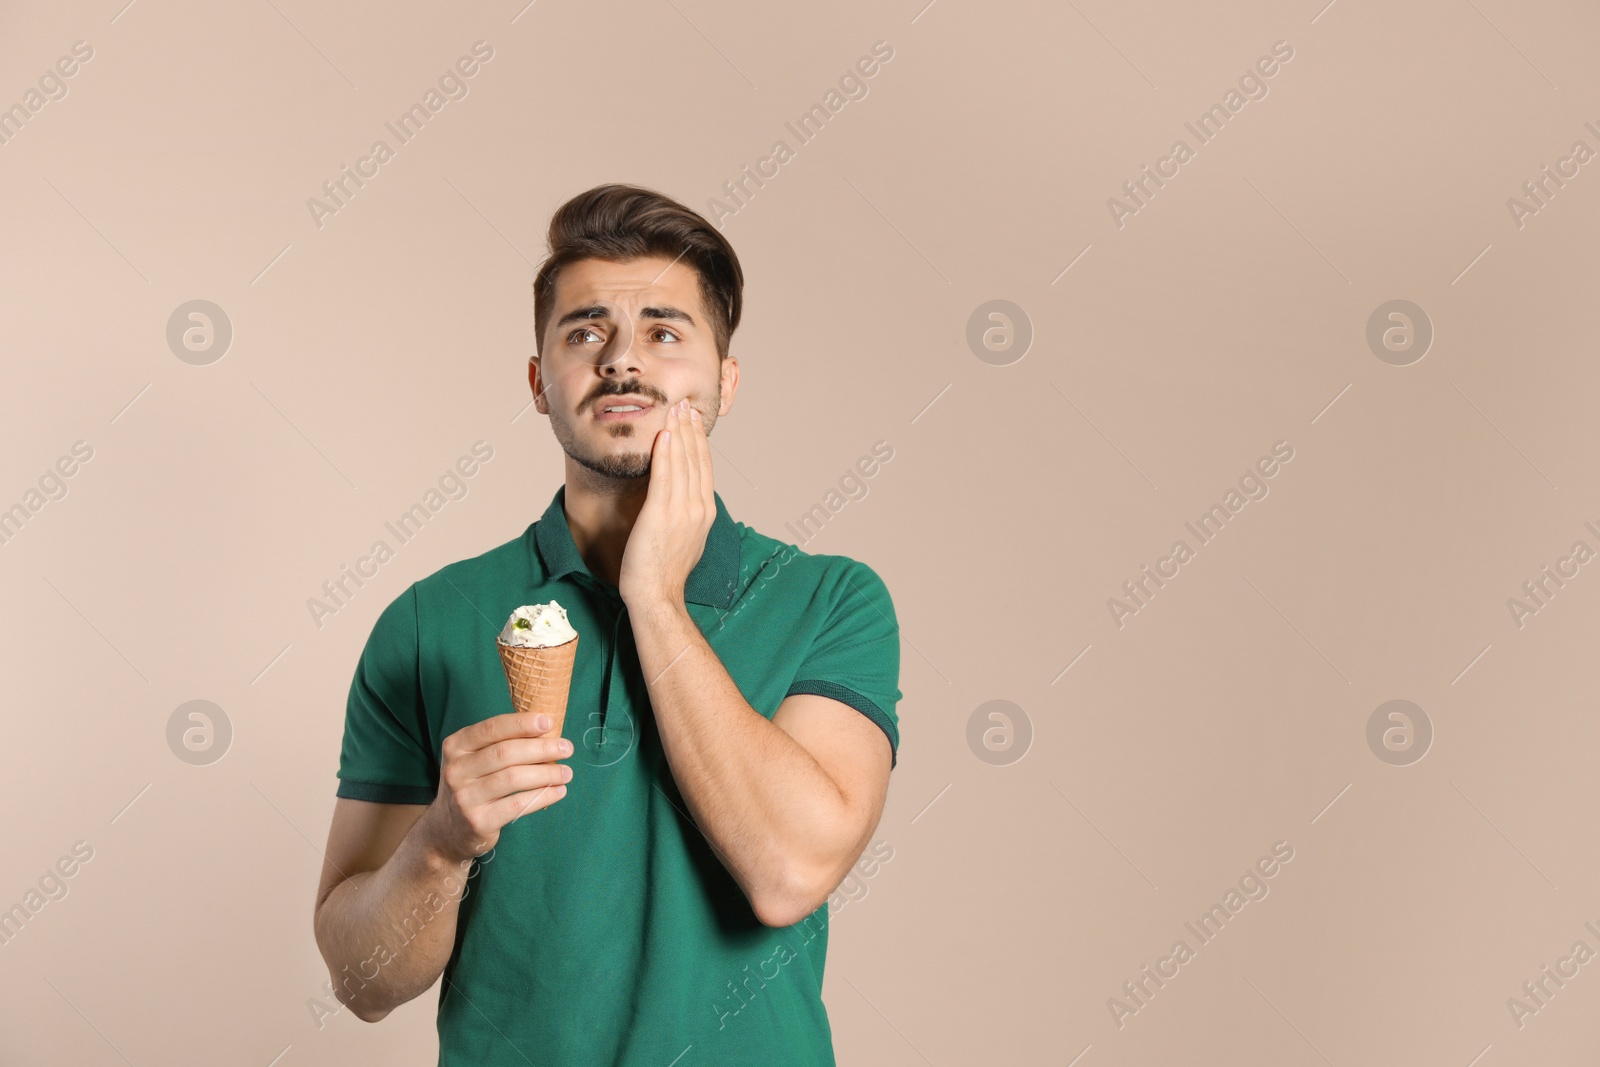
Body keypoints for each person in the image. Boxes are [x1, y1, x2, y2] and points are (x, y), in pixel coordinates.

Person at [312, 183, 903, 1065]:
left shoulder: (831, 600)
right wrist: (439, 845)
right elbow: (361, 984)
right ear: (539, 382)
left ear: (724, 383)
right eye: (585, 331)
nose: (624, 360)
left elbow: (788, 872)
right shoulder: (432, 620)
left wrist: (655, 599)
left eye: (666, 332)